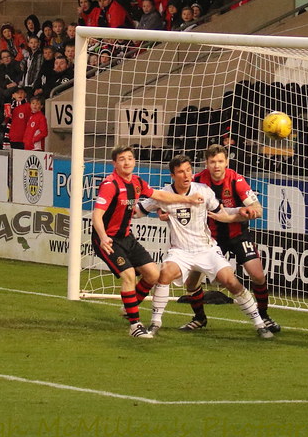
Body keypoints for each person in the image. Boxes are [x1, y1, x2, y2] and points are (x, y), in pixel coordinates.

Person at [136, 154, 273, 338]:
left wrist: (240, 211)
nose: (185, 176)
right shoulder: (163, 195)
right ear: (172, 175)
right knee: (165, 273)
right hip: (180, 251)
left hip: (206, 248)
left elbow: (221, 212)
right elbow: (138, 211)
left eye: (188, 171)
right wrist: (124, 203)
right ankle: (155, 323)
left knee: (230, 281)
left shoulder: (203, 190)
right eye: (180, 172)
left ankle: (259, 323)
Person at [91, 146, 202, 338]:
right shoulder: (110, 185)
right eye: (122, 159)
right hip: (108, 240)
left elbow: (159, 196)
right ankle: (135, 325)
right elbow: (97, 215)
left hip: (126, 237)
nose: (127, 162)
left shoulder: (137, 182)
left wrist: (188, 199)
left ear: (134, 162)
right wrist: (102, 237)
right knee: (128, 276)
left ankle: (129, 308)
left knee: (153, 274)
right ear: (114, 164)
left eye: (130, 159)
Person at [170, 144, 280, 333]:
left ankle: (264, 315)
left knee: (258, 275)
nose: (216, 166)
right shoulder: (197, 181)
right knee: (191, 283)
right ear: (206, 163)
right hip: (209, 238)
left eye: (220, 161)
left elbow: (258, 210)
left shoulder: (236, 180)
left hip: (237, 235)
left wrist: (231, 217)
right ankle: (199, 318)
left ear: (227, 162)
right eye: (212, 162)